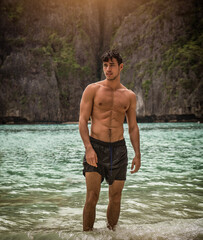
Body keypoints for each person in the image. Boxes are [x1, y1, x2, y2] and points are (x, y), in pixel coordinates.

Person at [79, 49, 141, 231]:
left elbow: (133, 127)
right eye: (105, 65)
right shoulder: (92, 90)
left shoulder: (129, 95)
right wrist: (88, 148)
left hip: (119, 150)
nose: (108, 69)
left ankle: (111, 234)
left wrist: (137, 154)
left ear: (120, 67)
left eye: (112, 65)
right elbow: (82, 121)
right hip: (96, 147)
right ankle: (86, 236)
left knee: (116, 197)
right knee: (92, 196)